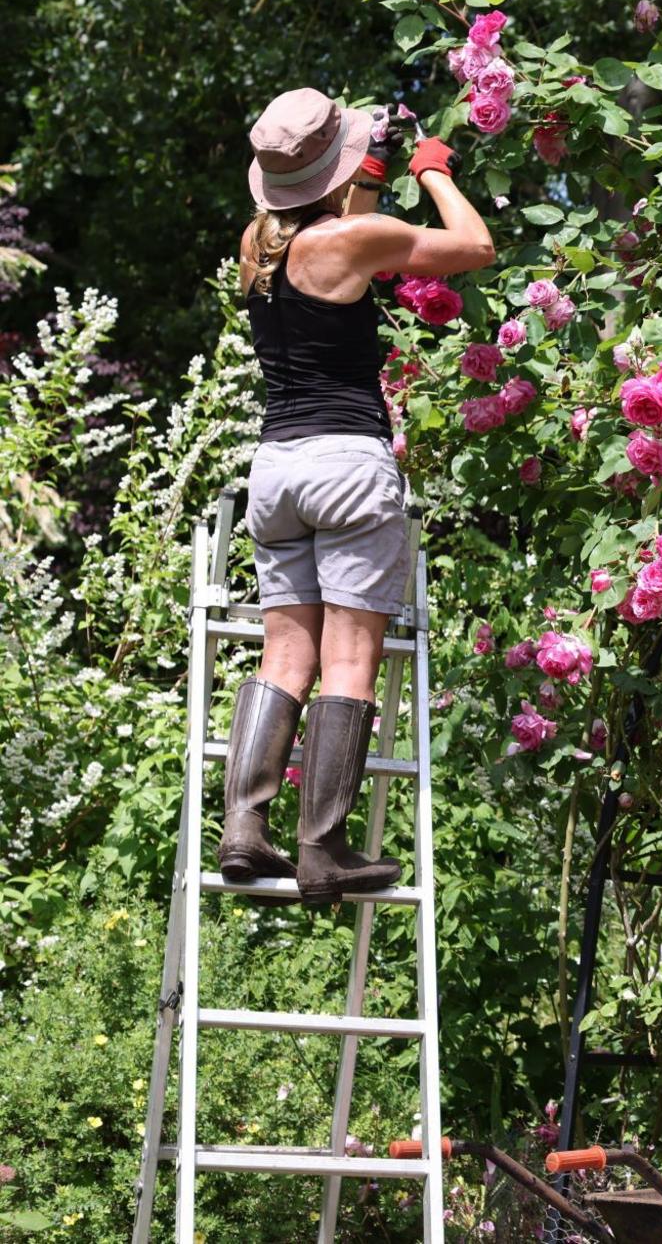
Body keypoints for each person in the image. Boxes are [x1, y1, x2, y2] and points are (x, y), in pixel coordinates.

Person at [220, 87, 493, 904]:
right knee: (349, 660)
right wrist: (434, 170)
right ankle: (323, 850)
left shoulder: (259, 241)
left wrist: (365, 173)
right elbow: (473, 246)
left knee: (285, 656)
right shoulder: (355, 239)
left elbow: (343, 233)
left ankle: (245, 827)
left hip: (277, 469)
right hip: (348, 465)